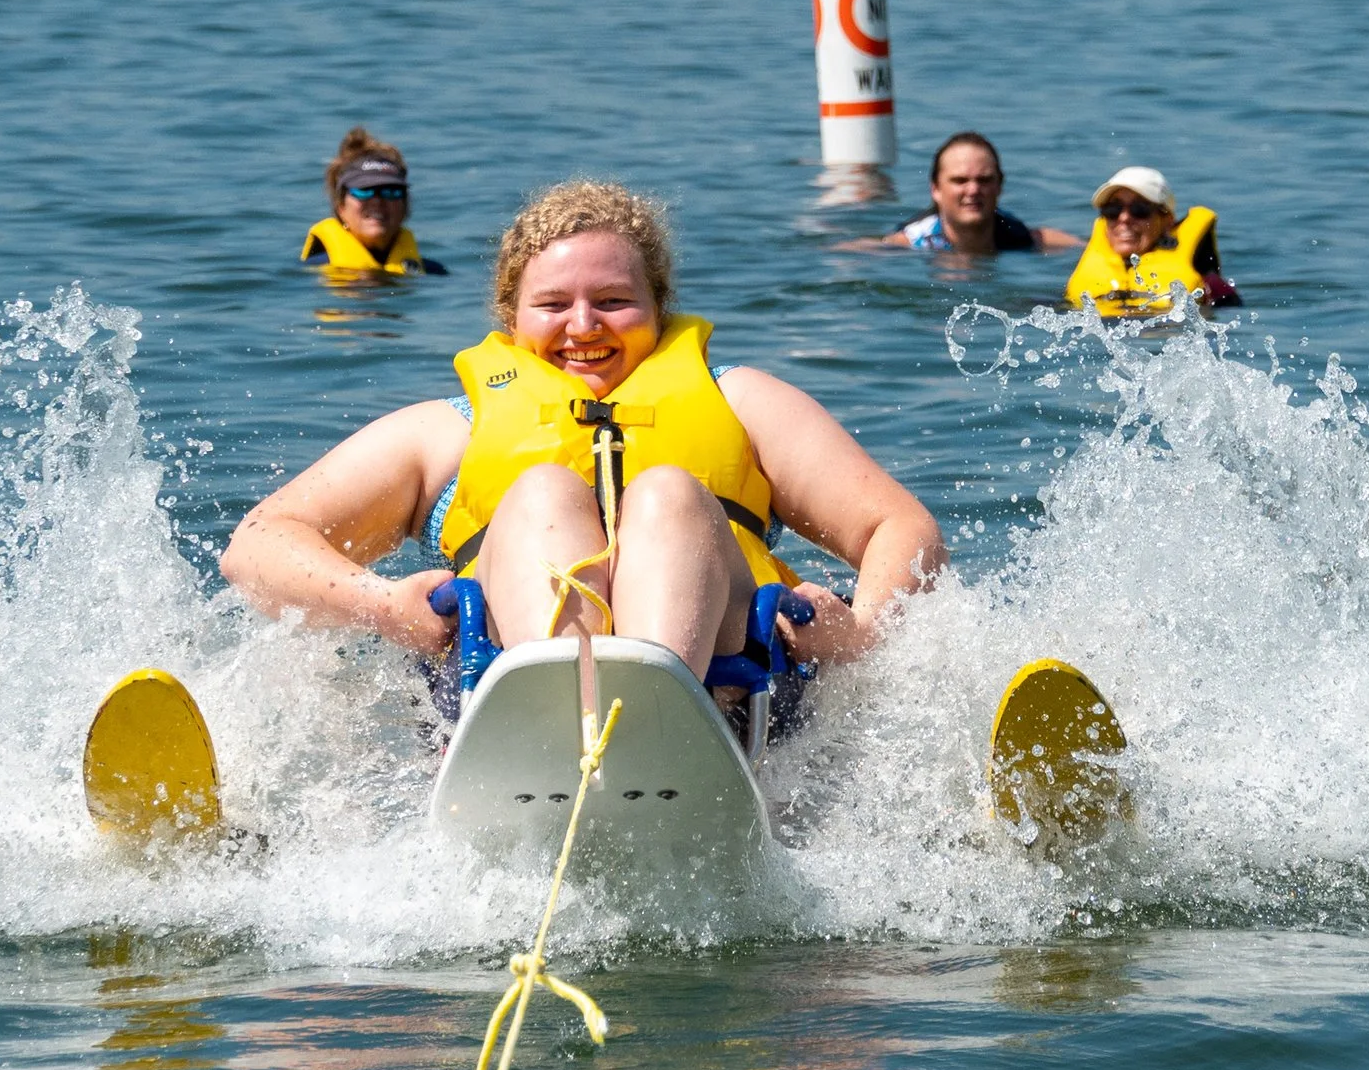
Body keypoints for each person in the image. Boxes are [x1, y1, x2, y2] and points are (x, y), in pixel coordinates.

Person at [226, 180, 946, 679]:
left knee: (668, 493)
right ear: (512, 318)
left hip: (730, 693)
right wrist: (383, 607)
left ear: (659, 308)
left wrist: (863, 636)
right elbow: (258, 545)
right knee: (542, 492)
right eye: (553, 304)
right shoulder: (443, 433)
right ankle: (554, 707)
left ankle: (658, 708)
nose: (582, 327)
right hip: (505, 705)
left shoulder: (744, 402)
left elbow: (900, 527)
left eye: (613, 300)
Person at [1064, 167, 1241, 318]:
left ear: (1167, 220)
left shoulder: (1209, 284)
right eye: (1113, 209)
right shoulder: (1087, 271)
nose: (1124, 218)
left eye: (1139, 210)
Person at [877, 133, 1075, 256]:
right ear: (935, 189)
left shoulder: (1020, 237)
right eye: (960, 180)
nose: (973, 190)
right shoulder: (909, 244)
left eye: (984, 180)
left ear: (999, 186)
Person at [301, 127, 445, 276]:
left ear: (405, 206)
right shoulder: (311, 276)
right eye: (364, 191)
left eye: (390, 191)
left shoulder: (434, 275)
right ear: (340, 205)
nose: (377, 201)